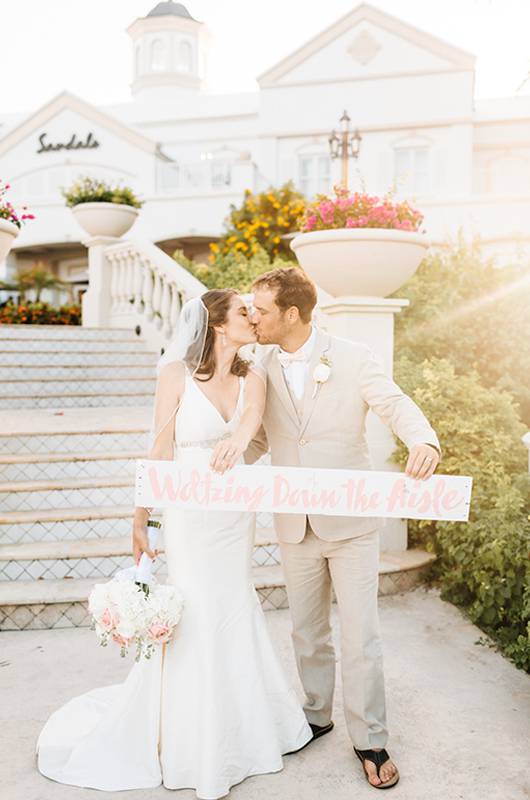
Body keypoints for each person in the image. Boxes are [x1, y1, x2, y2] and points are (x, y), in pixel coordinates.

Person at [35, 289, 313, 798]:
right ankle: (191, 737)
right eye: (242, 313)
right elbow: (159, 446)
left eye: (253, 313)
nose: (252, 319)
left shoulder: (255, 375)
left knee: (232, 603)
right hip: (188, 510)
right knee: (197, 607)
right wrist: (141, 517)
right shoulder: (175, 374)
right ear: (217, 325)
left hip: (234, 509)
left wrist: (236, 440)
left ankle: (245, 728)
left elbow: (251, 420)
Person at [243, 267, 442, 790]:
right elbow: (259, 437)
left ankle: (370, 736)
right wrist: (216, 464)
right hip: (293, 519)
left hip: (350, 522)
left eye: (260, 309)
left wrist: (424, 441)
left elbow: (393, 404)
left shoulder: (353, 357)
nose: (253, 318)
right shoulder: (257, 364)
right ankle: (316, 714)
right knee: (307, 631)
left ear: (291, 313)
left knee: (361, 634)